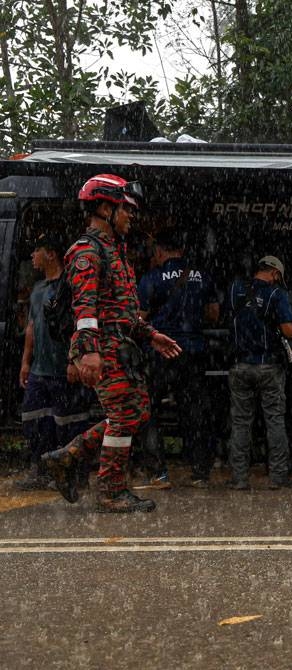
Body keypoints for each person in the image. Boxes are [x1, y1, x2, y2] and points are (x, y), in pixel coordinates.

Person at [42, 174, 182, 513]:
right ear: (105, 208)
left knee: (136, 410)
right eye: (125, 210)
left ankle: (70, 455)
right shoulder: (87, 251)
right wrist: (88, 351)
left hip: (120, 345)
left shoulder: (114, 251)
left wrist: (149, 335)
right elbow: (85, 307)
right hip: (103, 347)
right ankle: (111, 489)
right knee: (124, 414)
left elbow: (121, 309)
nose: (130, 217)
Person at [136, 230, 220, 489]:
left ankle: (158, 473)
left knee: (148, 410)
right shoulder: (202, 276)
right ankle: (199, 472)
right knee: (194, 411)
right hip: (192, 351)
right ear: (182, 251)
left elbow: (139, 319)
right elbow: (214, 314)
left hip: (159, 352)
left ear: (160, 252)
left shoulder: (151, 278)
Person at [16, 234, 91, 490]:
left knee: (68, 422)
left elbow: (77, 326)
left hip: (63, 368)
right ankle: (41, 469)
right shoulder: (37, 289)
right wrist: (26, 362)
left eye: (36, 250)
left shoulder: (69, 287)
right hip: (39, 369)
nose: (32, 256)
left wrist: (74, 360)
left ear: (50, 254)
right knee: (33, 417)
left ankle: (73, 475)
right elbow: (31, 326)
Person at [224, 255, 292, 490]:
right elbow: (289, 331)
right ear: (275, 274)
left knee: (240, 423)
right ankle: (278, 478)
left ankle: (239, 479)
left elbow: (219, 316)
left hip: (239, 366)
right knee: (274, 420)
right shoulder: (276, 295)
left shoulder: (235, 288)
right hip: (268, 366)